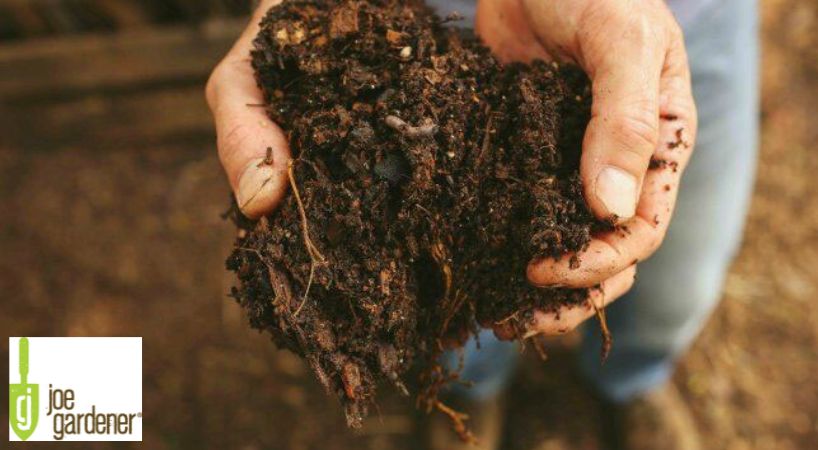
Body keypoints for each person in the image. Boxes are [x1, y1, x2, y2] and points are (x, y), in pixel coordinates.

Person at [206, 0, 758, 448]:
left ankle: (634, 378)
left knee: (677, 284)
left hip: (688, 20)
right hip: (423, 10)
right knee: (462, 308)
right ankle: (473, 391)